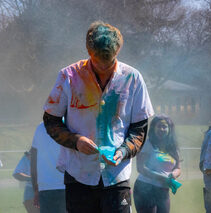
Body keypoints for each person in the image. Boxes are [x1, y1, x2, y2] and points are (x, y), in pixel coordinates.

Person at [43, 21, 154, 213]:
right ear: (89, 51)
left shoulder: (133, 78)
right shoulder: (68, 76)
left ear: (117, 52)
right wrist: (76, 141)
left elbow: (140, 128)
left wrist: (124, 151)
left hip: (117, 177)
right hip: (78, 175)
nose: (104, 68)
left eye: (109, 63)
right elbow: (51, 121)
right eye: (97, 61)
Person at [133, 115, 181, 213]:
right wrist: (162, 178)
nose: (162, 129)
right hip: (145, 189)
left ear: (169, 129)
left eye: (164, 126)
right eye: (159, 126)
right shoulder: (148, 144)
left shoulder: (173, 147)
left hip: (163, 190)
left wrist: (174, 174)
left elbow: (178, 168)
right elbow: (141, 168)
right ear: (154, 128)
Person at [30, 122, 66, 213]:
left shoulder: (40, 128)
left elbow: (33, 160)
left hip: (45, 188)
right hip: (68, 186)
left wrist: (36, 189)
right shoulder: (70, 125)